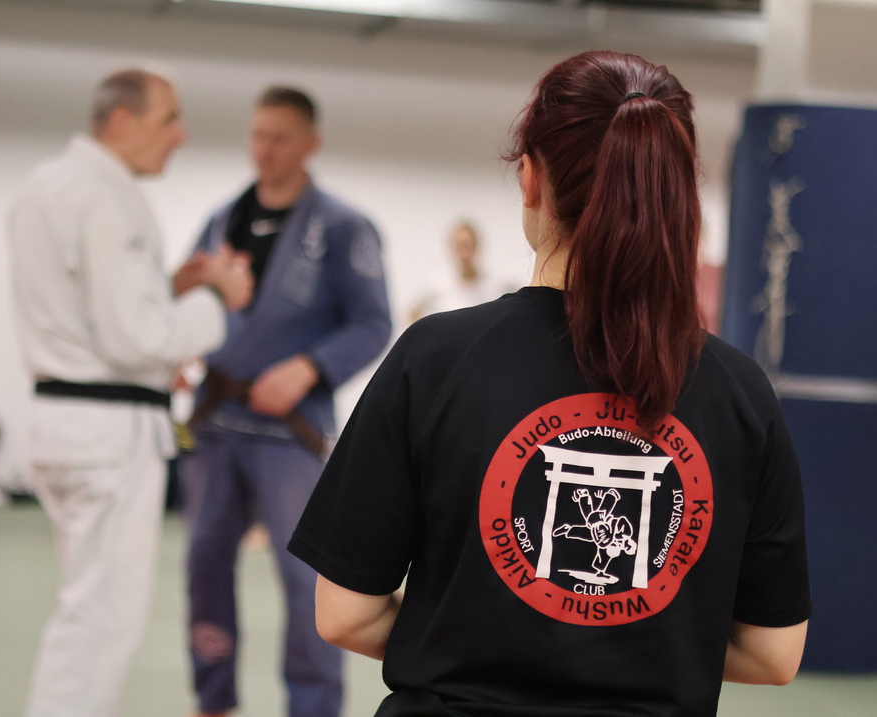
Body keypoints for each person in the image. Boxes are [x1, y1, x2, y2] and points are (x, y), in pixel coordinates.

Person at [288, 51, 811, 717]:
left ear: (530, 179)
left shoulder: (437, 358)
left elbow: (346, 615)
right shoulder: (741, 393)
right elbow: (772, 652)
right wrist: (632, 648)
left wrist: (489, 640)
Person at [7, 68, 253, 717]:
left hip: (68, 417)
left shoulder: (45, 185)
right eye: (169, 118)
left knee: (85, 609)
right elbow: (135, 337)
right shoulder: (104, 195)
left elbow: (93, 312)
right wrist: (216, 297)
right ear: (121, 121)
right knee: (101, 622)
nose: (181, 134)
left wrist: (169, 286)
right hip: (106, 433)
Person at [182, 86, 391, 717]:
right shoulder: (223, 220)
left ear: (310, 144)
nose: (264, 149)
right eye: (256, 135)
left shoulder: (344, 227)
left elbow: (371, 324)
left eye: (278, 137)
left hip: (291, 432)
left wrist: (308, 367)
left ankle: (314, 707)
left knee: (307, 585)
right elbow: (193, 298)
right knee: (203, 567)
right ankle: (212, 698)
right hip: (217, 420)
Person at [409, 221, 505, 322]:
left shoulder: (496, 284)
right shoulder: (436, 284)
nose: (464, 254)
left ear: (477, 247)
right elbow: (413, 311)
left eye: (467, 246)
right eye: (459, 246)